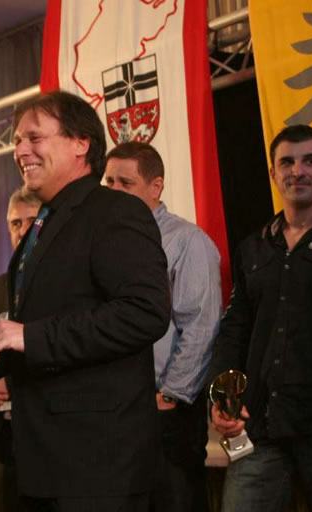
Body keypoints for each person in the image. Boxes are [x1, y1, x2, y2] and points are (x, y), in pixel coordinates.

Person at [0, 90, 171, 511]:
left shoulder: (115, 211)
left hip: (97, 465)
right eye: (17, 141)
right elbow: (55, 325)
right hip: (41, 461)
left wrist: (28, 337)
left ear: (80, 143)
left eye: (34, 138)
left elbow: (145, 313)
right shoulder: (42, 225)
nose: (20, 151)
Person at [207, 124, 312, 512]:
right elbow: (235, 329)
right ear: (273, 173)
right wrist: (222, 397)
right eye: (287, 162)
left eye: (309, 161)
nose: (298, 171)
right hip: (260, 428)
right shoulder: (254, 247)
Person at [104, 142, 221, 512]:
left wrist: (170, 396)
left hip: (166, 411)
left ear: (156, 187)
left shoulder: (187, 241)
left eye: (125, 183)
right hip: (115, 409)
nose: (113, 191)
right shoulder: (103, 242)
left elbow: (201, 326)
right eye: (109, 182)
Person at [0, 187, 41, 512]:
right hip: (2, 434)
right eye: (15, 223)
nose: (22, 230)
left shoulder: (61, 281)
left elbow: (66, 351)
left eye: (31, 221)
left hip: (46, 432)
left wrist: (12, 386)